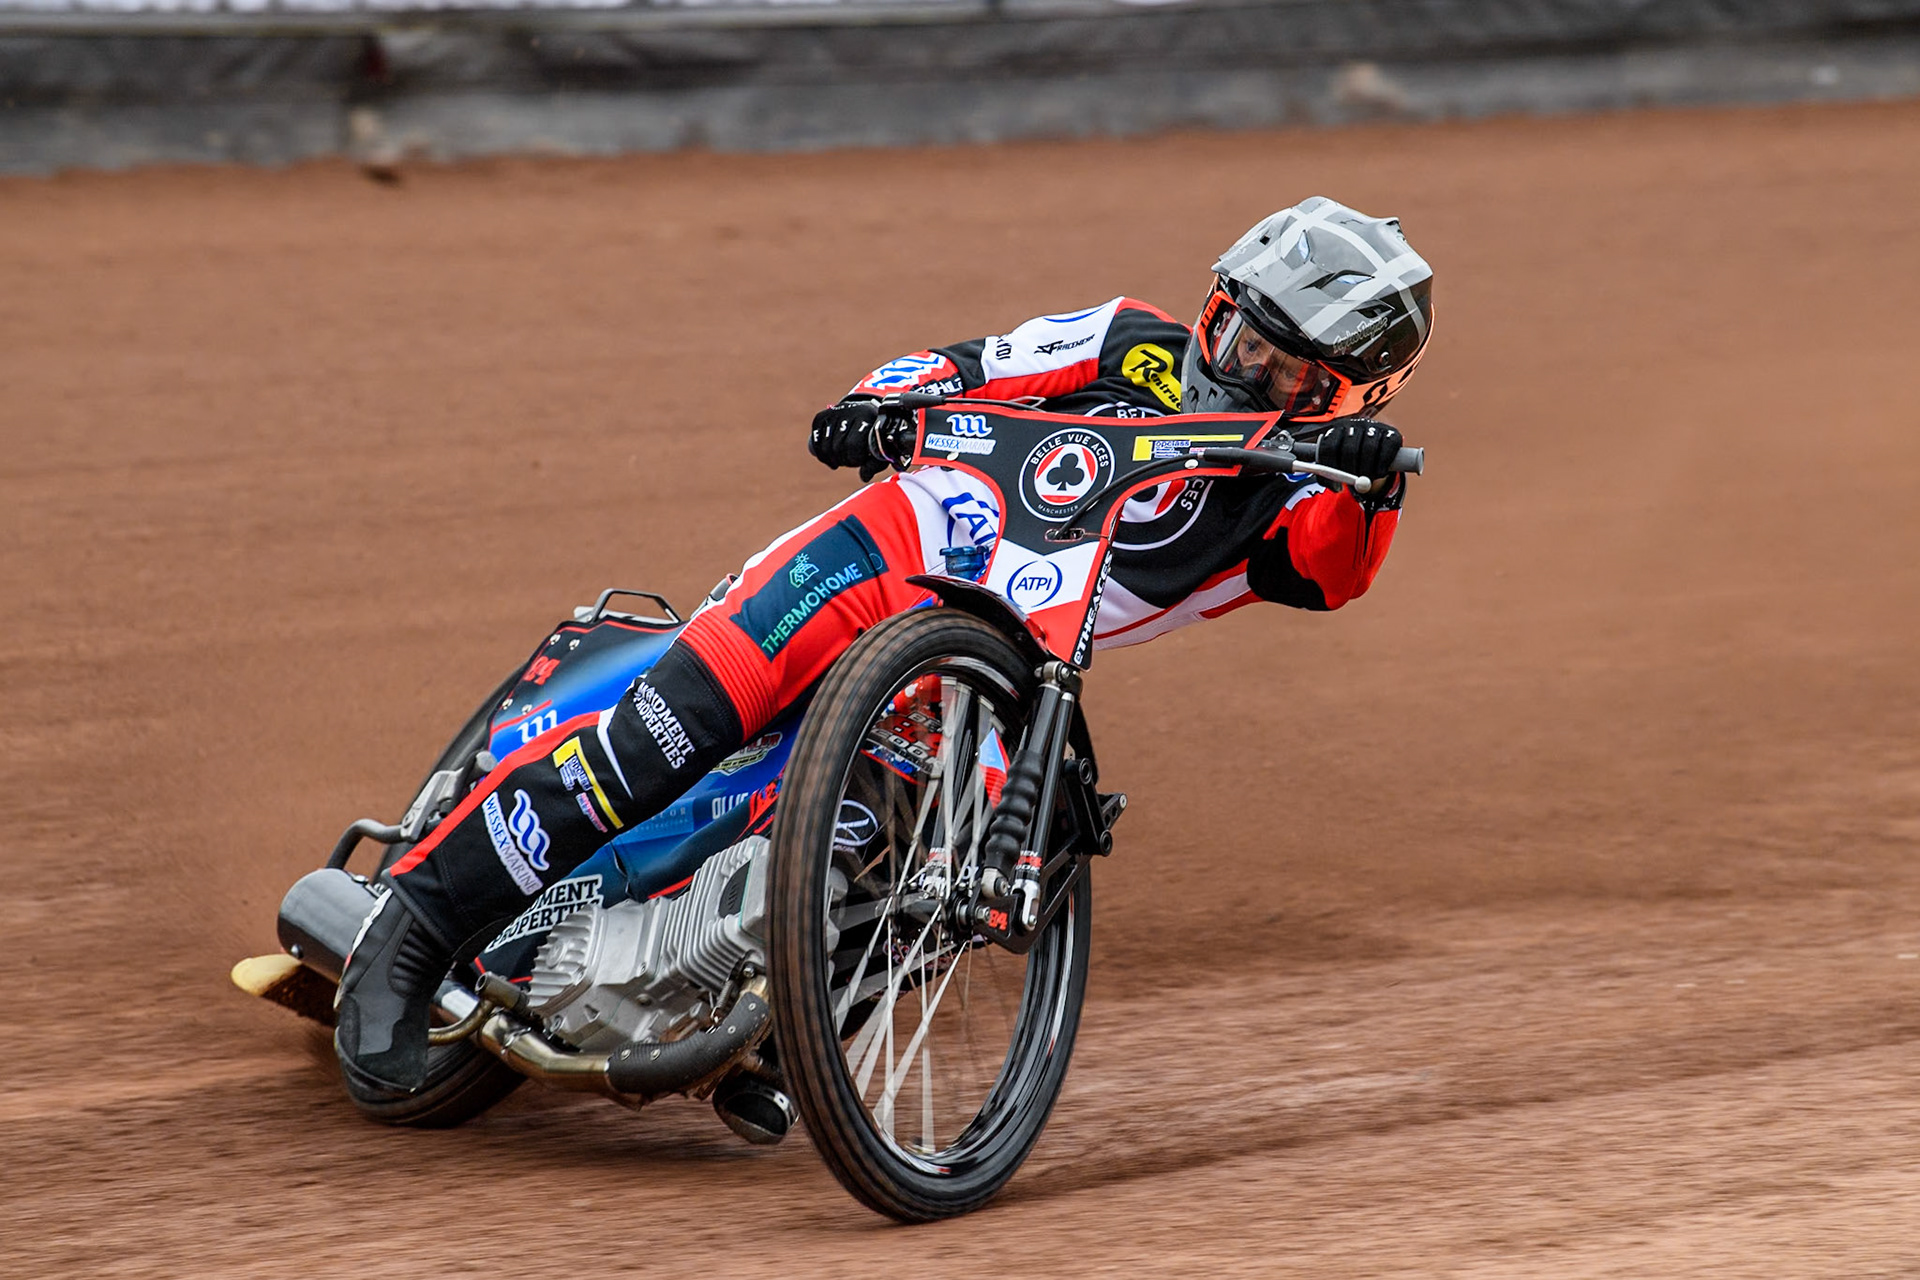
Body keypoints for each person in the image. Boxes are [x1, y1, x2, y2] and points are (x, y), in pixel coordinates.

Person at [335, 195, 1435, 1095]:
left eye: (1286, 371)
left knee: (965, 861)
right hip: (887, 547)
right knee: (675, 726)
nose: (1237, 368)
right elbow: (972, 364)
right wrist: (880, 400)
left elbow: (1333, 571)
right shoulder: (1125, 338)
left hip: (998, 674)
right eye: (1235, 330)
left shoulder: (1299, 491)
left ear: (1354, 392)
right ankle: (419, 920)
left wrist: (1374, 482)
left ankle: (784, 1040)